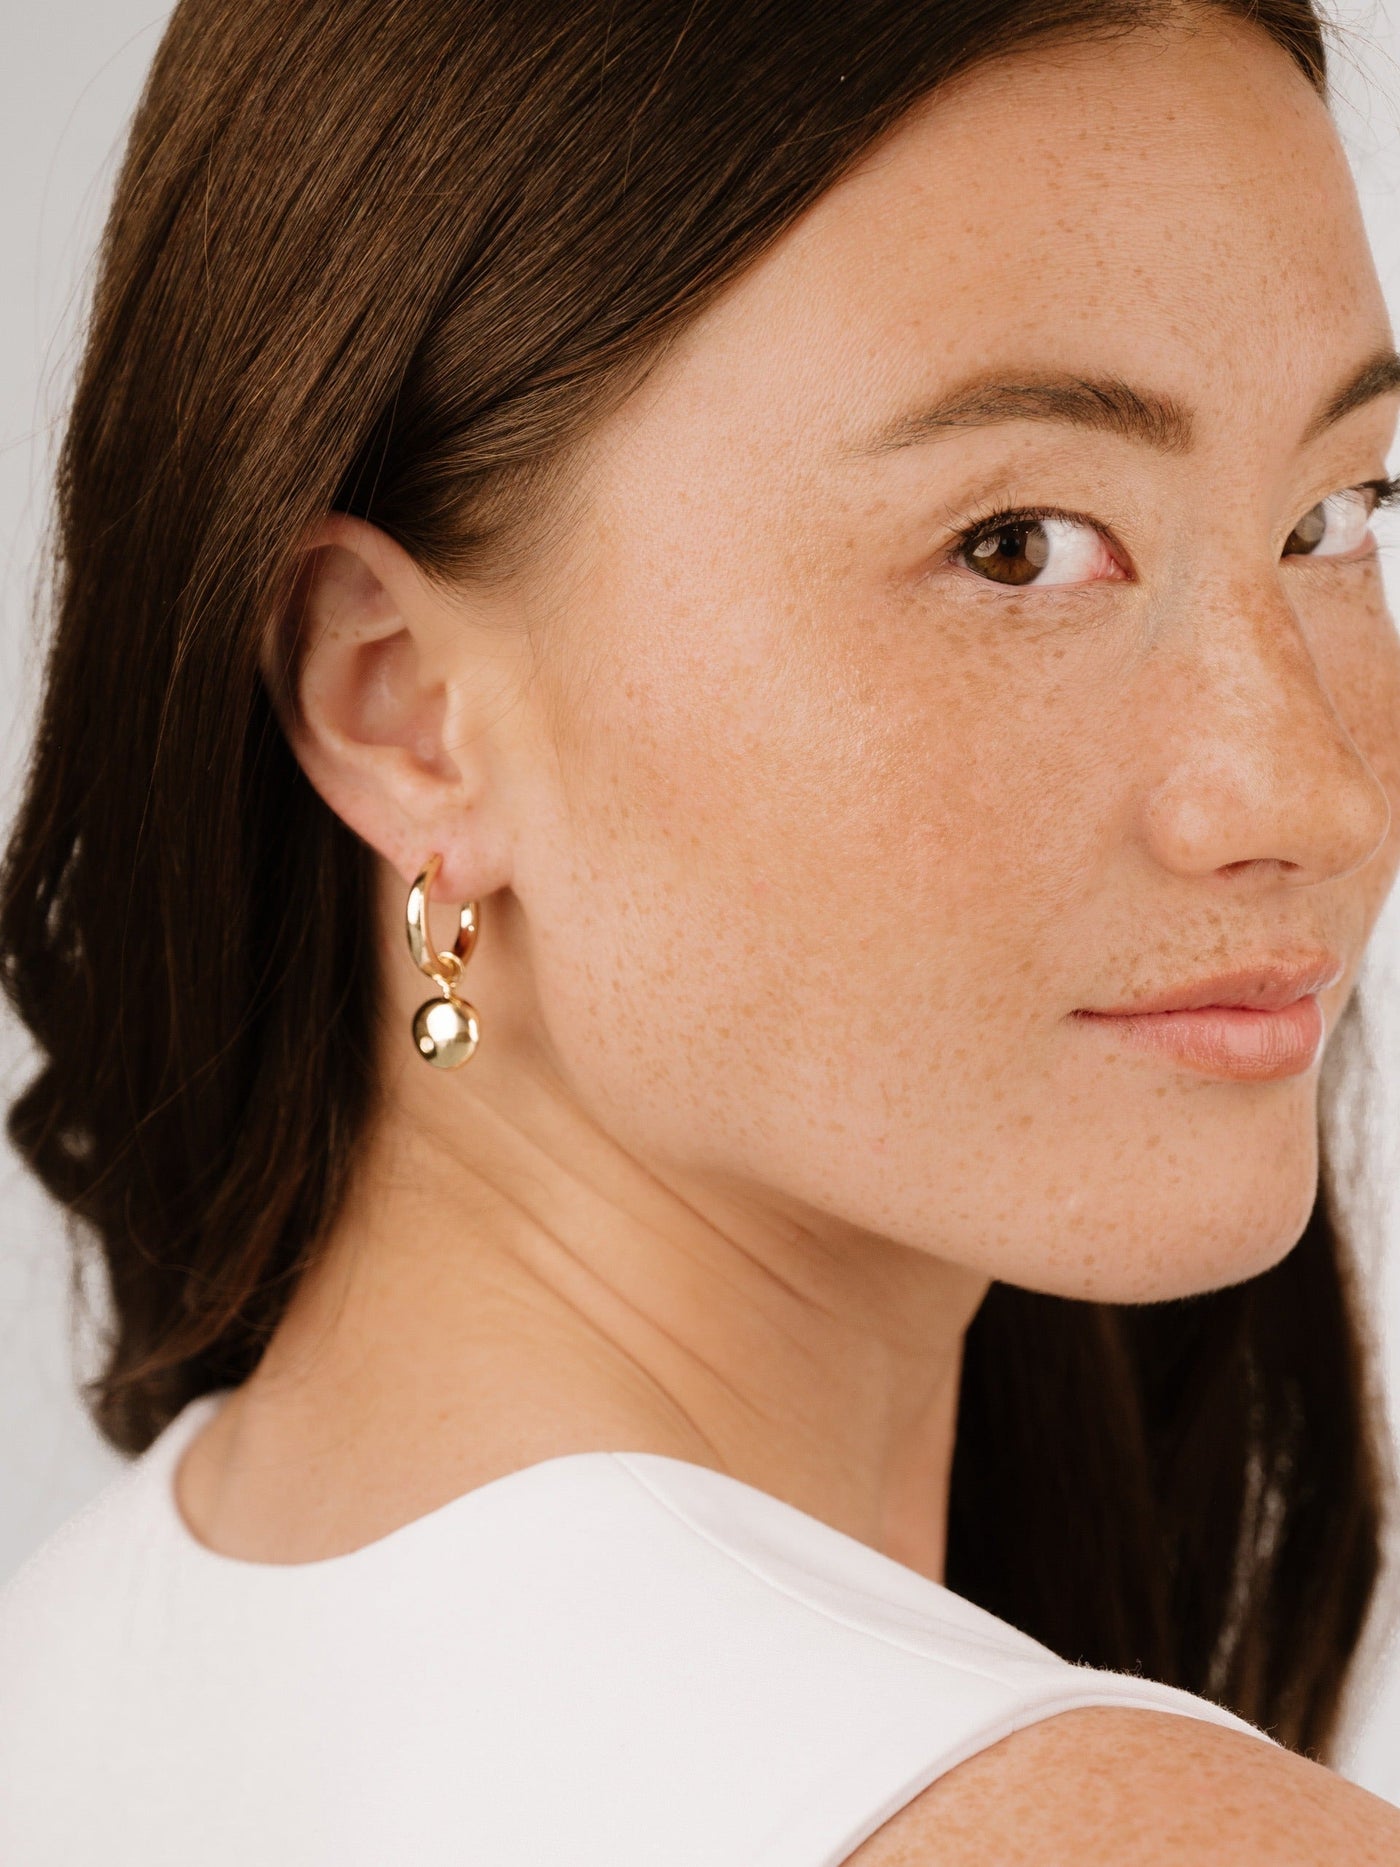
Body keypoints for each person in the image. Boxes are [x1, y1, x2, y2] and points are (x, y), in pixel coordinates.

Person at [2, 0, 1400, 1858]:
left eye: (1336, 513)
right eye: (1018, 547)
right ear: (399, 700)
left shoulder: (56, 1685)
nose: (1306, 794)